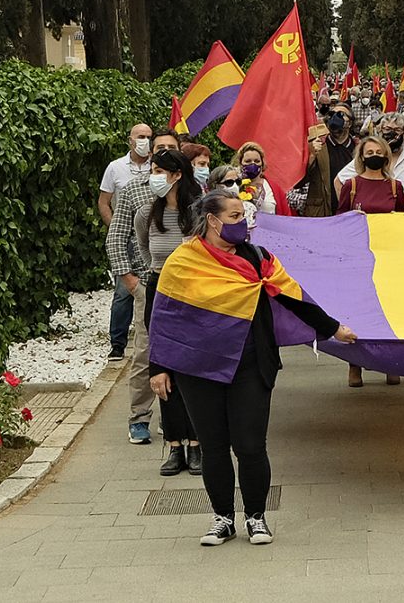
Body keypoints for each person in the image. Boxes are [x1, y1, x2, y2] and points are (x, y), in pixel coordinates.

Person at [150, 190, 356, 546]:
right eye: (233, 217)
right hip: (198, 369)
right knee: (213, 447)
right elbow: (165, 319)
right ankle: (222, 519)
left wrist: (334, 328)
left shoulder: (259, 259)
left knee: (250, 445)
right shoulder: (182, 262)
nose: (241, 224)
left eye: (242, 216)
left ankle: (256, 518)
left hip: (250, 364)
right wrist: (158, 367)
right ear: (212, 221)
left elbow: (295, 298)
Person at [106, 129, 180, 444]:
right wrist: (130, 279)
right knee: (145, 353)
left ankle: (174, 416)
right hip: (148, 284)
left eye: (170, 149)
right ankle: (139, 417)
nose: (161, 152)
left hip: (187, 290)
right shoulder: (135, 191)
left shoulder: (192, 196)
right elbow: (117, 236)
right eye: (158, 148)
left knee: (180, 354)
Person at [135, 150, 204, 476]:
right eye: (153, 170)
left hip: (191, 294)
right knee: (162, 368)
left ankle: (196, 443)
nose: (155, 176)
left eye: (161, 170)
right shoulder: (147, 212)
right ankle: (174, 444)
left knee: (191, 367)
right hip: (159, 291)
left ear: (178, 174)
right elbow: (148, 252)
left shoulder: (198, 212)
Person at [337, 136, 404, 387]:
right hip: (358, 259)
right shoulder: (351, 185)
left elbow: (402, 222)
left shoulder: (395, 187)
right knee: (359, 312)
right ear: (361, 156)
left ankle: (391, 363)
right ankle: (355, 366)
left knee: (390, 312)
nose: (374, 155)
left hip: (388, 258)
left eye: (379, 151)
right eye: (369, 151)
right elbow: (339, 221)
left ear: (386, 156)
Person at [100, 123, 153, 362]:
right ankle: (117, 343)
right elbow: (104, 201)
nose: (145, 141)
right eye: (140, 137)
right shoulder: (115, 168)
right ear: (130, 140)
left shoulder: (158, 169)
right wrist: (116, 229)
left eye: (149, 137)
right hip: (127, 238)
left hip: (152, 240)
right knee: (124, 291)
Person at [335, 113, 404, 194]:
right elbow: (339, 181)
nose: (392, 133)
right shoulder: (370, 156)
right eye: (387, 129)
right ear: (380, 131)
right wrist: (349, 208)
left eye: (397, 129)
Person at [231, 142, 292, 222]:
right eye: (248, 161)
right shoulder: (233, 186)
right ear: (240, 163)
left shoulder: (275, 189)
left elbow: (287, 218)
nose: (253, 164)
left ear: (262, 164)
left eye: (257, 161)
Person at [288, 123, 337, 217]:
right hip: (316, 214)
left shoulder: (351, 145)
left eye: (324, 136)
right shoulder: (307, 157)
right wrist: (311, 157)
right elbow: (293, 189)